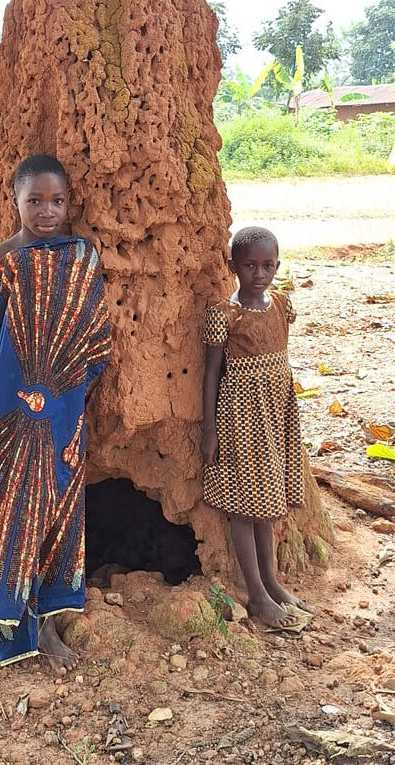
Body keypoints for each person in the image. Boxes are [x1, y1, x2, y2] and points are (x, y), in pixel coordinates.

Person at [0, 154, 111, 672]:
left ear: (69, 202)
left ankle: (48, 616)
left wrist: (77, 394)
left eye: (57, 200)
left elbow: (92, 332)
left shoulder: (82, 256)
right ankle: (18, 616)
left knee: (56, 510)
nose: (46, 211)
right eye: (34, 200)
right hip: (7, 409)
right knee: (11, 512)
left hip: (62, 410)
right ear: (14, 200)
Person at [201, 226, 306, 628]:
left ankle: (273, 582)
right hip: (240, 420)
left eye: (267, 265)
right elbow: (212, 373)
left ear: (277, 266)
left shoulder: (281, 304)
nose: (259, 273)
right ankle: (257, 594)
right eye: (249, 265)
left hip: (276, 415)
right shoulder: (224, 314)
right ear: (233, 267)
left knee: (268, 500)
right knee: (245, 505)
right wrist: (209, 430)